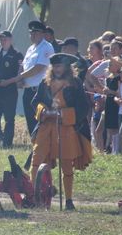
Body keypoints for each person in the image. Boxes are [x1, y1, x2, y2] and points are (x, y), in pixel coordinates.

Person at [30, 53, 93, 210]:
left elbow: (83, 107)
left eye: (60, 66)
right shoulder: (45, 83)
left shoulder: (76, 83)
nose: (57, 69)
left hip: (66, 128)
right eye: (55, 66)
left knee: (66, 164)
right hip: (46, 127)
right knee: (36, 160)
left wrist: (64, 115)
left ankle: (69, 200)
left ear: (66, 67)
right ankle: (33, 196)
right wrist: (43, 111)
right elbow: (35, 102)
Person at [0, 30, 23, 147]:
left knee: (9, 118)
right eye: (1, 39)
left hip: (9, 90)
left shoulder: (17, 55)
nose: (3, 41)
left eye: (5, 39)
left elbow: (19, 74)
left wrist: (8, 82)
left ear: (10, 40)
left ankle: (7, 142)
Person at [19, 20, 53, 137]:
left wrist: (20, 76)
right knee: (30, 120)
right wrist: (21, 78)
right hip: (28, 89)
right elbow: (24, 65)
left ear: (43, 34)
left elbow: (38, 68)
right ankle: (35, 146)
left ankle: (41, 146)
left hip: (40, 91)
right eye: (31, 33)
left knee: (40, 120)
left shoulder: (46, 47)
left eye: (36, 33)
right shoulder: (30, 48)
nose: (33, 35)